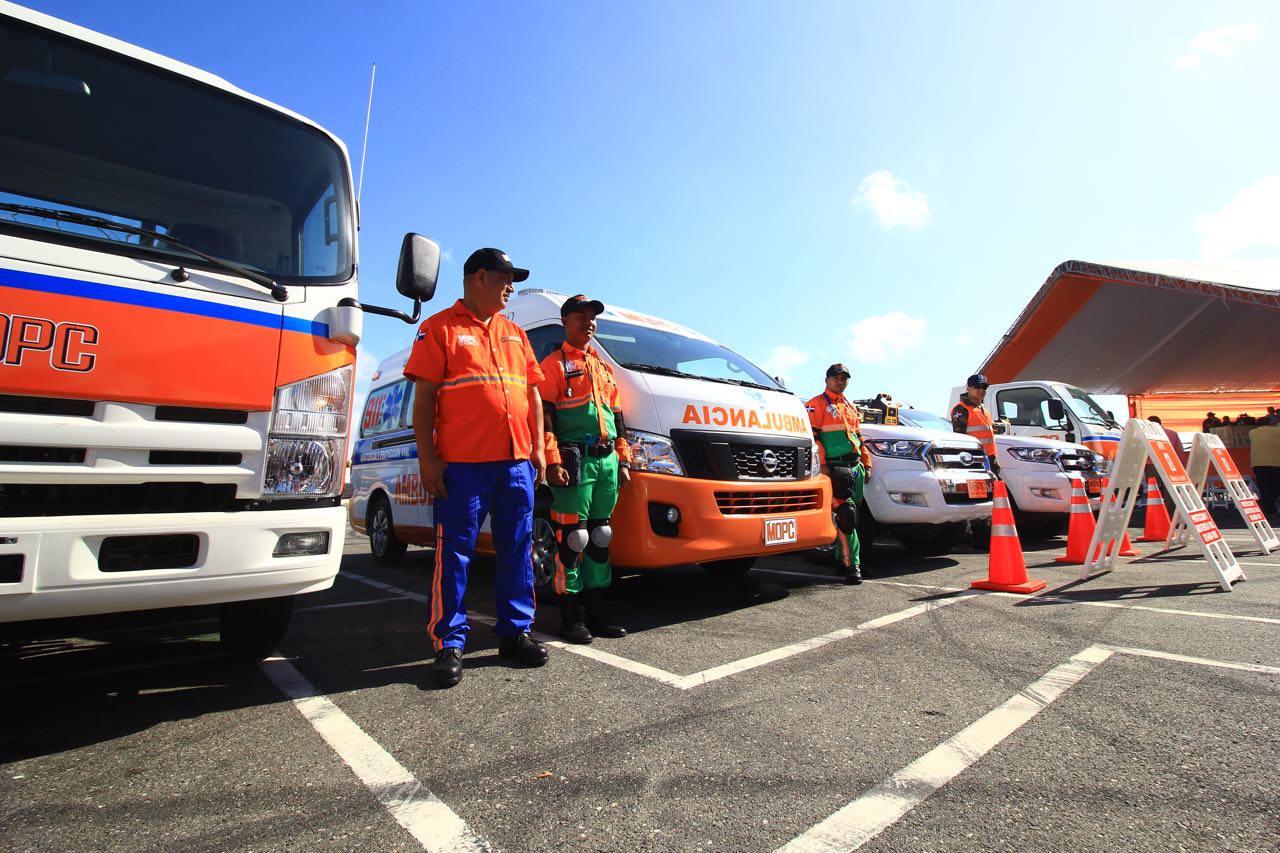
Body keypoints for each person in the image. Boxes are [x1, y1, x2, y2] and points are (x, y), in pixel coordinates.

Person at [407, 247, 549, 688]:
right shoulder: (440, 329)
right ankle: (448, 643)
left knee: (518, 550)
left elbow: (534, 395)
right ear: (478, 277)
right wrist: (428, 459)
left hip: (515, 464)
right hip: (463, 466)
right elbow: (426, 398)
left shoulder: (515, 334)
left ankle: (515, 632)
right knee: (454, 555)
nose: (511, 287)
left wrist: (539, 449)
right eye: (505, 278)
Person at [538, 294, 632, 644]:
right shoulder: (552, 365)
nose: (588, 322)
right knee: (572, 539)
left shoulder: (604, 368)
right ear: (565, 321)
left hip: (607, 462)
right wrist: (551, 460)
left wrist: (623, 459)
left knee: (600, 537)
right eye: (580, 316)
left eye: (593, 317)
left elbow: (618, 418)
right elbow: (545, 417)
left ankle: (599, 613)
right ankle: (570, 618)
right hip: (574, 463)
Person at [806, 364, 872, 584]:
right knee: (847, 516)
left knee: (853, 516)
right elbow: (813, 439)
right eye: (837, 378)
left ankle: (842, 560)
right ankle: (851, 565)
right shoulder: (815, 405)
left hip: (854, 467)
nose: (841, 381)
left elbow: (859, 437)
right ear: (827, 380)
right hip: (836, 467)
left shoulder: (849, 405)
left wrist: (866, 462)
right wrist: (823, 465)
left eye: (844, 378)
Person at [951, 373, 999, 474]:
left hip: (989, 458)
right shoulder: (961, 409)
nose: (981, 390)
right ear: (968, 388)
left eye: (984, 387)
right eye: (977, 387)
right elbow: (960, 440)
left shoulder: (983, 408)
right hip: (974, 459)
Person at [1250, 420, 1280, 520]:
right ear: (1271, 423)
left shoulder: (1252, 432)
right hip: (1276, 463)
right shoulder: (1277, 430)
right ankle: (1272, 503)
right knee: (1276, 486)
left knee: (1264, 487)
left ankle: (1270, 510)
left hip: (1258, 464)